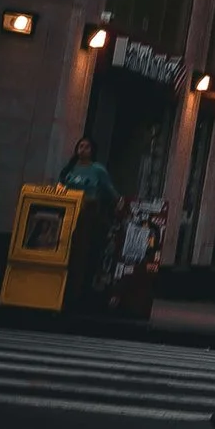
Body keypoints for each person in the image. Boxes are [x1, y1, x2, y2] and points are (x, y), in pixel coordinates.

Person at [58, 135, 120, 320]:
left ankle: (78, 296)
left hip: (87, 216)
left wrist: (118, 204)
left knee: (82, 256)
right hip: (67, 214)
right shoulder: (70, 168)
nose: (82, 149)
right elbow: (60, 186)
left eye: (86, 147)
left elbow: (110, 191)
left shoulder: (97, 170)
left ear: (92, 150)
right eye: (80, 146)